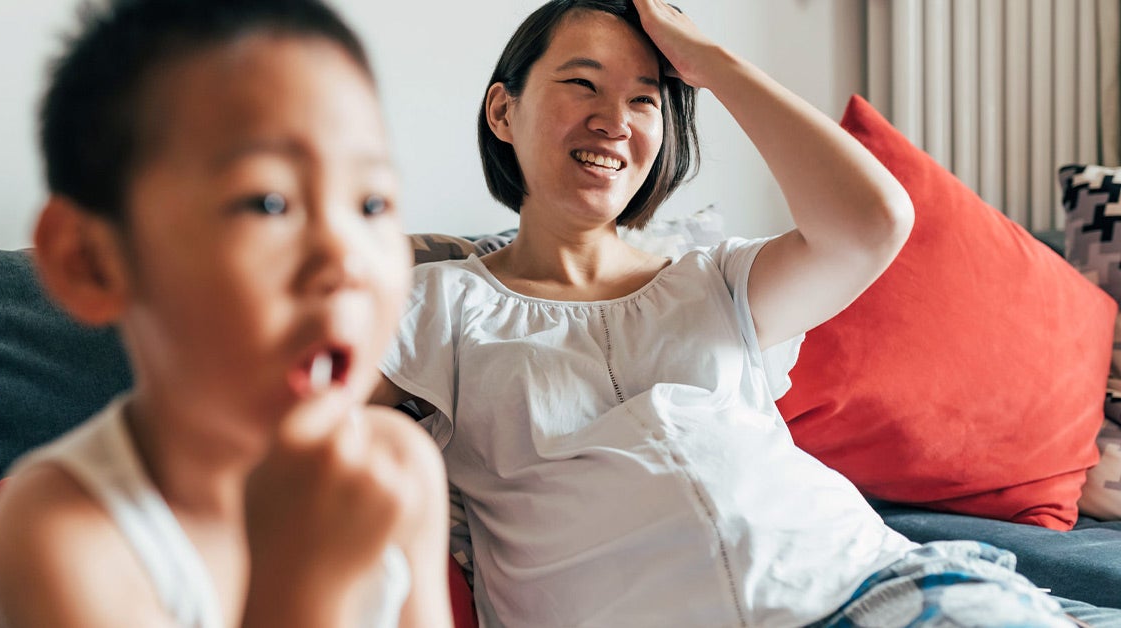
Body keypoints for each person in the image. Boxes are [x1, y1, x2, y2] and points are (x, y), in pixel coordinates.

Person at [373, 0, 1121, 626]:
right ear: (503, 109)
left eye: (645, 99)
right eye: (582, 84)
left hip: (868, 589)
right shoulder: (433, 303)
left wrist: (709, 63)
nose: (614, 120)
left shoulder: (716, 277)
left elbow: (874, 221)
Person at [0, 1, 453, 626]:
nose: (346, 258)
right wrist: (307, 585)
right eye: (269, 201)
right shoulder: (64, 531)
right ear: (90, 261)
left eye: (371, 203)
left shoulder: (400, 464)